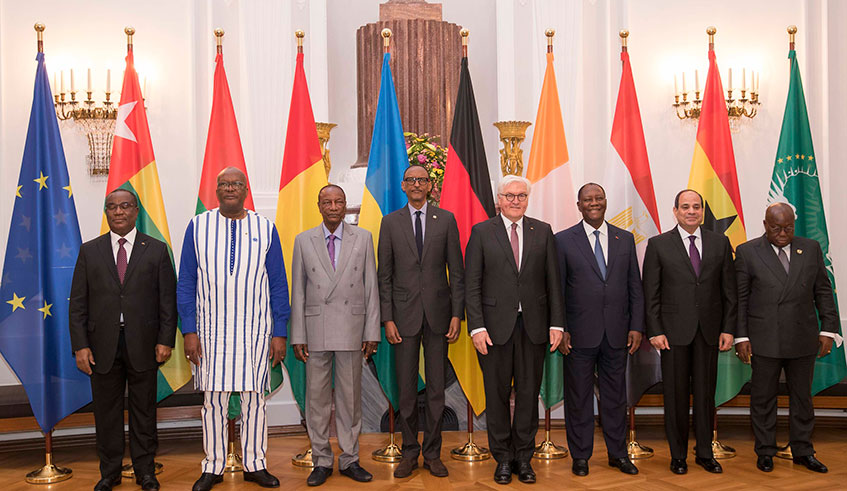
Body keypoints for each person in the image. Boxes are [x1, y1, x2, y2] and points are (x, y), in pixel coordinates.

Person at [176, 167, 290, 491]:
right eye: (224, 184)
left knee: (255, 401)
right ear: (216, 191)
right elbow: (186, 282)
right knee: (214, 402)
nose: (230, 189)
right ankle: (213, 466)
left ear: (245, 190)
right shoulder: (198, 226)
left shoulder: (265, 228)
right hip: (210, 333)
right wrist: (189, 330)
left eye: (236, 184)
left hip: (255, 331)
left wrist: (279, 332)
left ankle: (255, 464)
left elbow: (278, 285)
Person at [69, 189, 176, 491]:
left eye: (125, 206)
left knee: (144, 412)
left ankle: (146, 471)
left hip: (144, 344)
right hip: (100, 346)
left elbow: (167, 302)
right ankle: (110, 473)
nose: (118, 211)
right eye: (112, 207)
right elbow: (78, 304)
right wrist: (80, 346)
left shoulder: (156, 250)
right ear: (106, 212)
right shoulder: (90, 251)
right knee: (106, 414)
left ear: (136, 211)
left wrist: (166, 340)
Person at [465, 174, 565, 485]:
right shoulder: (482, 232)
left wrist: (557, 323)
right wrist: (476, 327)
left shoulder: (542, 231)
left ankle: (523, 457)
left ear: (527, 199)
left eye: (521, 195)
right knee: (496, 396)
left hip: (533, 328)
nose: (515, 201)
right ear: (499, 199)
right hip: (493, 330)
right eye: (510, 195)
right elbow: (472, 284)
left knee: (528, 394)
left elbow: (553, 282)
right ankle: (503, 459)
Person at [734, 202, 838, 473]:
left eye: (788, 228)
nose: (783, 234)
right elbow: (740, 299)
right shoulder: (747, 252)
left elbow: (823, 291)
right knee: (763, 398)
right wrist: (740, 337)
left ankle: (803, 450)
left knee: (802, 398)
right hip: (764, 337)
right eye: (776, 228)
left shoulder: (811, 248)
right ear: (765, 225)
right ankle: (765, 450)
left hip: (802, 336)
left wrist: (828, 329)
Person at [290, 184, 380, 487]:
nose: (333, 207)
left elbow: (371, 287)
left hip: (352, 329)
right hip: (315, 330)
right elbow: (298, 291)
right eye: (327, 202)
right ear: (319, 206)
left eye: (338, 202)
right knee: (316, 400)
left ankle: (350, 459)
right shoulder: (303, 241)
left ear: (344, 205)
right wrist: (298, 335)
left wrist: (371, 331)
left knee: (350, 399)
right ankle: (321, 460)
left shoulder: (363, 238)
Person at [377, 165, 464, 479]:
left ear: (430, 186)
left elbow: (457, 272)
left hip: (440, 316)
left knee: (437, 390)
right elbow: (384, 276)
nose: (417, 184)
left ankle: (433, 454)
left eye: (422, 180)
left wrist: (457, 314)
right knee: (406, 391)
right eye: (411, 180)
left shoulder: (447, 220)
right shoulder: (390, 223)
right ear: (403, 186)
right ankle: (410, 452)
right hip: (403, 318)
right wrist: (387, 318)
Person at [642, 189, 737, 475]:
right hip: (672, 335)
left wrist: (728, 328)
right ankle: (678, 455)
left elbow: (729, 291)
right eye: (685, 207)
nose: (691, 211)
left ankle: (705, 453)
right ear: (675, 211)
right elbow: (651, 293)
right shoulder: (658, 244)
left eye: (696, 207)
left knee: (706, 396)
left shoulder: (720, 243)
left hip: (710, 332)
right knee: (676, 396)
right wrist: (655, 330)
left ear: (702, 212)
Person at [554, 183, 643, 477]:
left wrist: (636, 325)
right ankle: (581, 456)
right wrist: (562, 328)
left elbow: (634, 285)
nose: (593, 203)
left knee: (615, 398)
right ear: (578, 205)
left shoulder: (624, 238)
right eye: (587, 199)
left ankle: (618, 454)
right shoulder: (563, 240)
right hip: (578, 334)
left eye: (598, 198)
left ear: (605, 201)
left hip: (617, 332)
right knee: (579, 398)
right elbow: (557, 290)